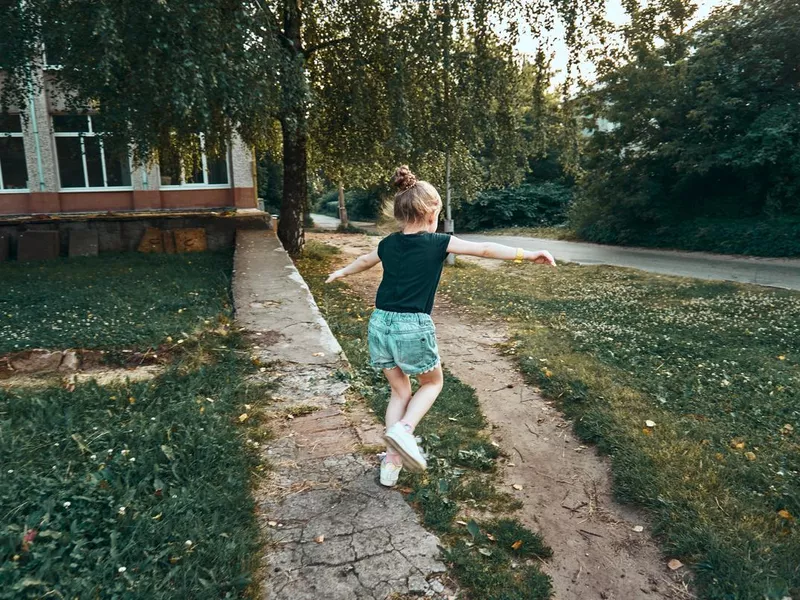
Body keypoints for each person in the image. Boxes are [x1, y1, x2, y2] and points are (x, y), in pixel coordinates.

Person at [325, 166, 556, 487]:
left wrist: (341, 273)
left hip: (379, 322)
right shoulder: (438, 242)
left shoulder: (388, 243)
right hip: (411, 324)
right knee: (432, 383)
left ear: (401, 215)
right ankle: (403, 431)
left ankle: (391, 463)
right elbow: (486, 249)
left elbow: (364, 260)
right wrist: (528, 254)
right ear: (432, 212)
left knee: (399, 390)